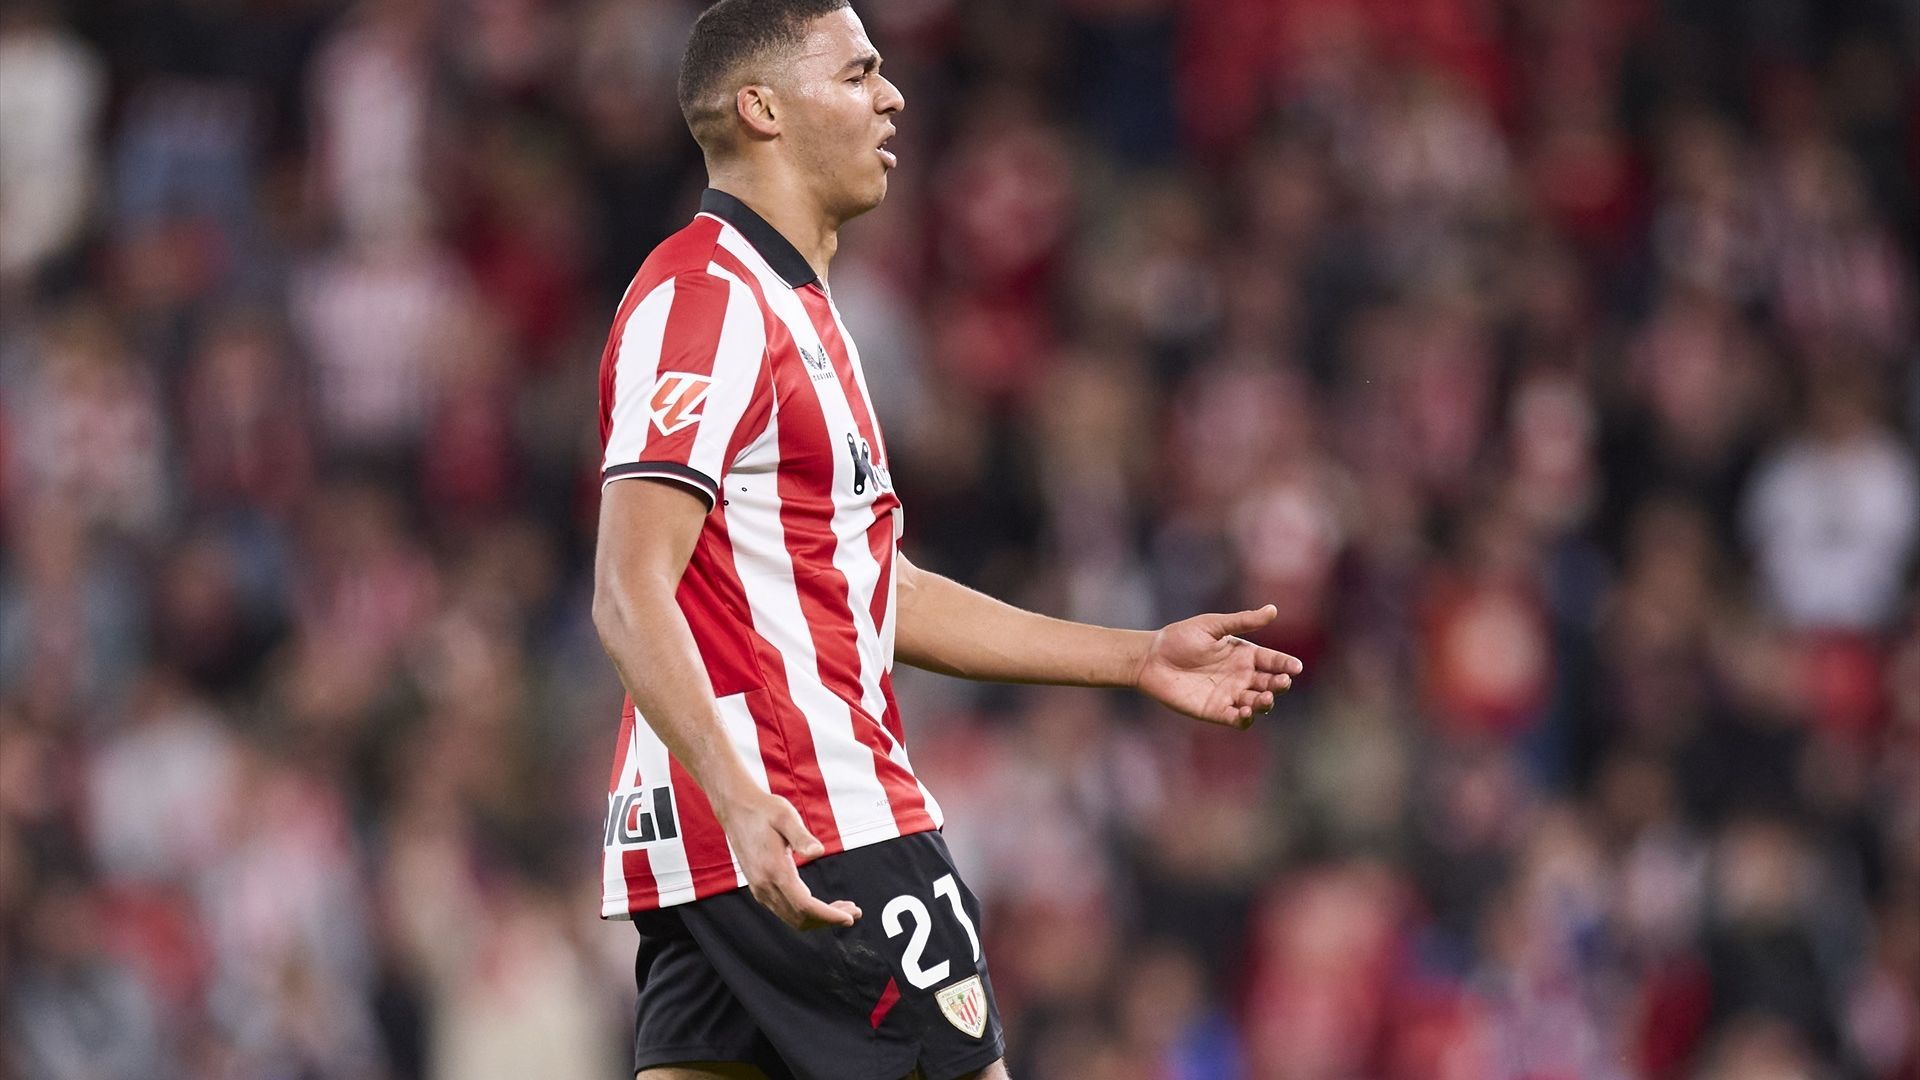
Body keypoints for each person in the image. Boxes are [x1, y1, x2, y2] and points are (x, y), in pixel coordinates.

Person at [590, 2, 1303, 1077]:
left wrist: (1137, 655)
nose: (893, 96)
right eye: (858, 71)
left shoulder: (803, 309)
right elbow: (627, 588)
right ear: (761, 108)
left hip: (732, 840)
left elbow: (882, 592)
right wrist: (745, 796)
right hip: (811, 811)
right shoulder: (707, 301)